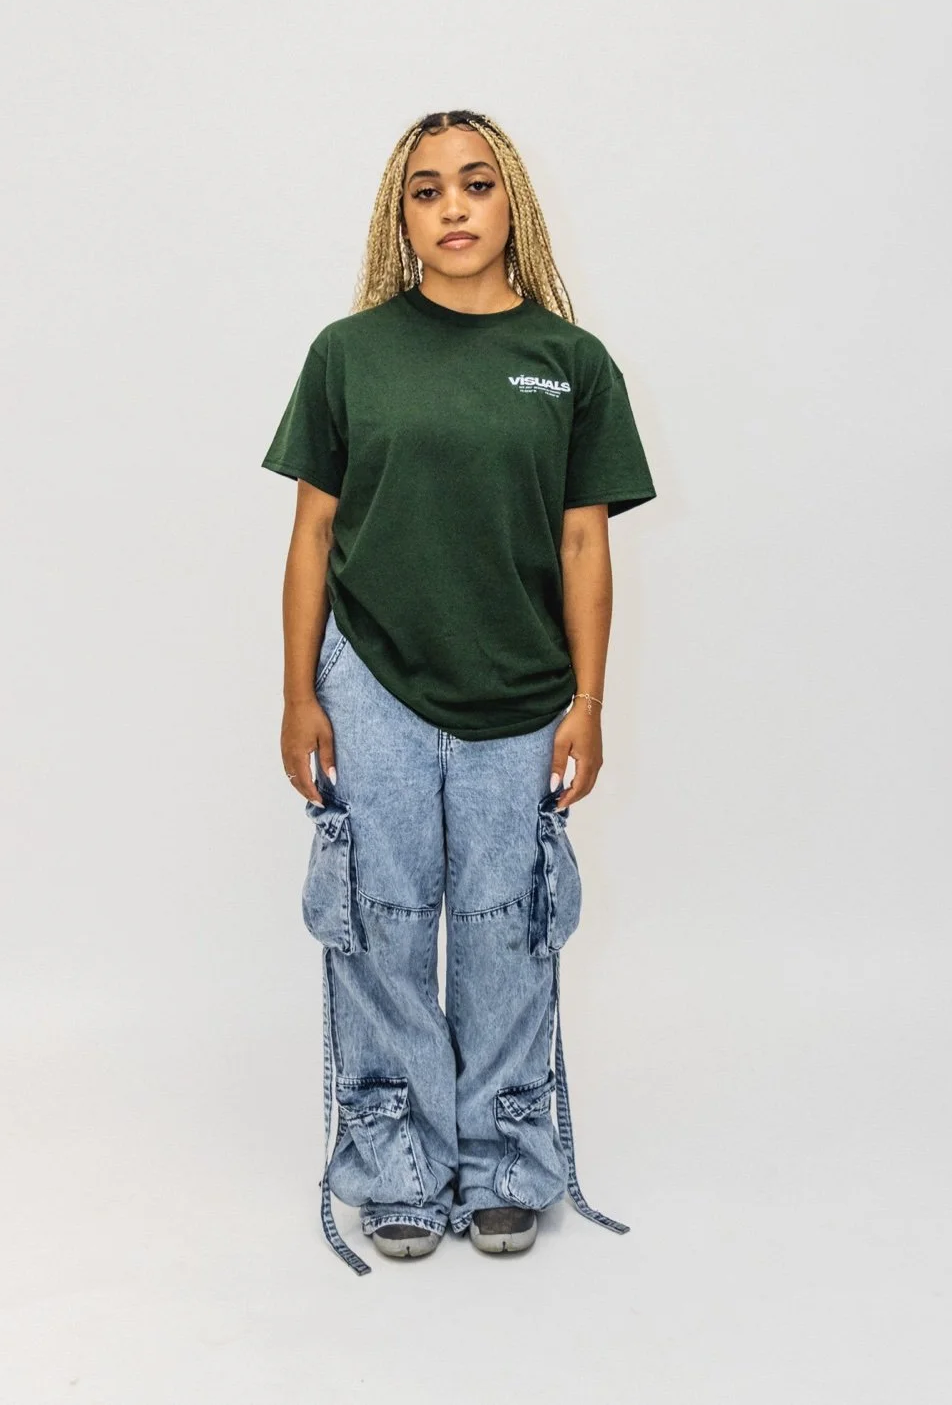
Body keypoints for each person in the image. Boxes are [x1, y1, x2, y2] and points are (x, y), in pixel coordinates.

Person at [262, 109, 656, 1272]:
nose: (453, 208)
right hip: (371, 681)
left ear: (510, 202)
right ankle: (395, 1165)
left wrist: (589, 702)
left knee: (505, 930)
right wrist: (297, 693)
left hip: (522, 689)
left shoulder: (571, 363)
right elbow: (311, 532)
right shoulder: (349, 354)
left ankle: (501, 1164)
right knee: (381, 924)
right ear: (401, 216)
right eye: (427, 190)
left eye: (475, 185)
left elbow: (584, 544)